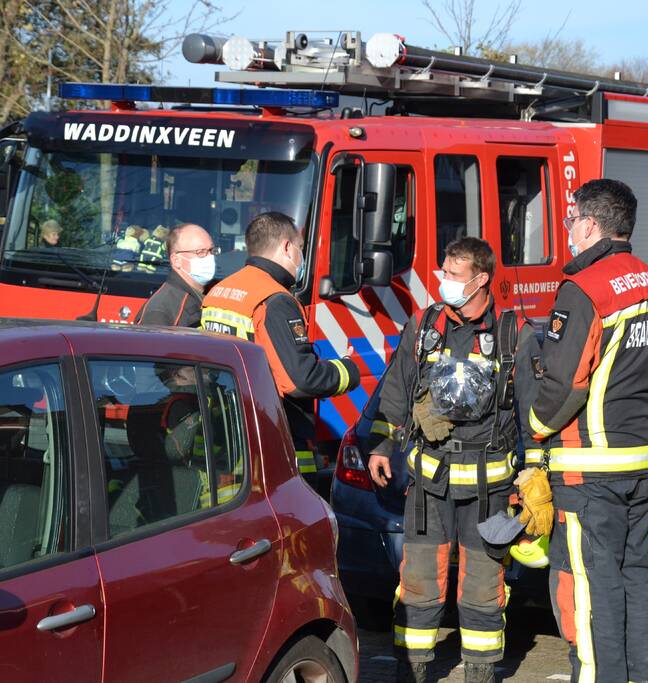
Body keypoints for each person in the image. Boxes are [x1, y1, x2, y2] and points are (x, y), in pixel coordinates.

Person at [517, 179, 648, 683]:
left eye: (570, 221)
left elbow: (565, 385)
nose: (567, 231)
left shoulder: (583, 290)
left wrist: (533, 431)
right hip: (644, 468)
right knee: (639, 576)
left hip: (589, 476)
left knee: (593, 589)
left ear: (590, 226)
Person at [366, 237, 535, 683]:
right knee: (419, 582)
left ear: (481, 280)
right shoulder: (423, 325)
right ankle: (412, 671)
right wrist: (383, 444)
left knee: (482, 587)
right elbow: (396, 391)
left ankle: (479, 672)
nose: (444, 283)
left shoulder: (514, 335)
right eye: (443, 272)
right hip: (427, 489)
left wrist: (535, 472)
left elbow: (533, 412)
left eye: (453, 276)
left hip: (488, 491)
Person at [200, 211, 360, 487]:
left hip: (226, 429)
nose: (301, 256)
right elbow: (300, 380)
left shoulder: (219, 292)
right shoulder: (274, 299)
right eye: (300, 248)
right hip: (270, 434)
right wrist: (348, 370)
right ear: (287, 247)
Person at [136, 224, 217, 327]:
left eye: (211, 250)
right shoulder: (159, 313)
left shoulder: (211, 294)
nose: (210, 257)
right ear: (176, 260)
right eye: (201, 252)